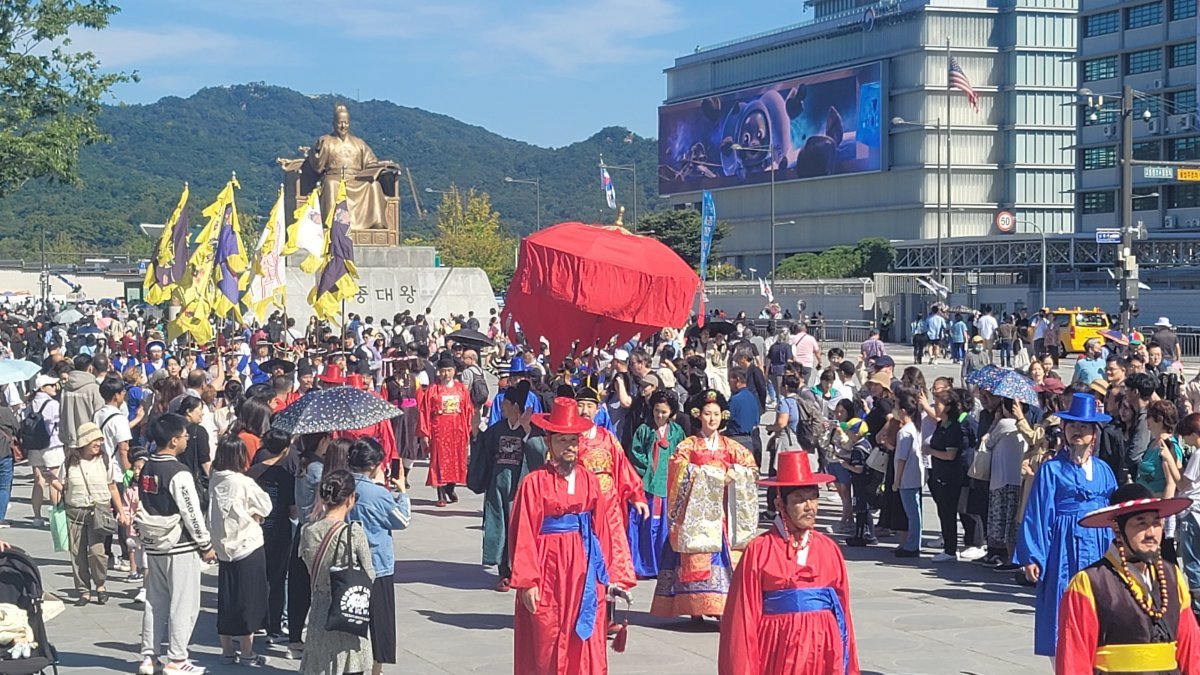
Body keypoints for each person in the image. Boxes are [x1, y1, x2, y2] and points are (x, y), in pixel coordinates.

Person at [509, 397, 634, 674]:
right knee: (547, 633)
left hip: (583, 566)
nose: (569, 447)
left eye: (573, 441)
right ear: (549, 443)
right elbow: (523, 533)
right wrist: (527, 581)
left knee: (584, 633)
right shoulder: (534, 483)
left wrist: (606, 576)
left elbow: (600, 529)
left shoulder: (589, 480)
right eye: (562, 441)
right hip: (547, 565)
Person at [718, 452, 859, 674]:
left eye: (813, 498)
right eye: (799, 500)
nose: (809, 506)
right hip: (777, 650)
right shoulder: (759, 550)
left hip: (824, 650)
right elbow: (741, 619)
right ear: (780, 503)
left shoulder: (829, 549)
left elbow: (844, 615)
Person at [1057, 482, 1200, 674]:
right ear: (1118, 529)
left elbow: (1191, 649)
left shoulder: (1172, 576)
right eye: (1141, 523)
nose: (1151, 533)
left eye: (1156, 523)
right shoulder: (1089, 583)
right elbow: (1073, 659)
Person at [1015, 393, 1118, 658]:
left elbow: (1114, 511)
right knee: (1063, 604)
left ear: (1094, 433)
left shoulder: (1104, 470)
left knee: (1100, 604)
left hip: (1099, 543)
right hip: (1063, 546)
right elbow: (1038, 513)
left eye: (1083, 427)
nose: (1077, 432)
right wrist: (1033, 556)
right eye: (1072, 426)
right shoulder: (1052, 470)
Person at [651, 389, 758, 621]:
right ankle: (694, 605)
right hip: (696, 514)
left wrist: (736, 473)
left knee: (723, 556)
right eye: (708, 414)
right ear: (699, 415)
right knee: (695, 554)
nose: (712, 419)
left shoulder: (731, 446)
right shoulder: (688, 445)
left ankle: (720, 605)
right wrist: (709, 476)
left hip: (722, 513)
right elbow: (677, 469)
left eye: (716, 414)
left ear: (723, 416)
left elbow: (751, 468)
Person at [136, 413, 215, 675]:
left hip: (153, 541)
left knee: (155, 601)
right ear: (172, 441)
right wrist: (205, 544)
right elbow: (191, 512)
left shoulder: (146, 466)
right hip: (179, 544)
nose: (187, 439)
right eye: (183, 436)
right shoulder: (178, 472)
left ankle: (149, 655)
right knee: (184, 603)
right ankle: (177, 658)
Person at [466, 380, 546, 590]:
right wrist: (475, 431)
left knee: (519, 529)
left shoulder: (530, 430)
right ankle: (504, 571)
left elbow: (541, 455)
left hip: (520, 488)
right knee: (499, 527)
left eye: (505, 403)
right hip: (498, 485)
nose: (501, 407)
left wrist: (529, 430)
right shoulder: (497, 429)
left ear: (515, 407)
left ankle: (519, 570)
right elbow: (483, 448)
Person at [300, 470, 374, 675]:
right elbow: (370, 574)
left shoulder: (308, 530)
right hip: (346, 609)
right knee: (348, 664)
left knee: (319, 664)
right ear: (350, 498)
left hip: (319, 609)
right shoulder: (353, 532)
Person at [207, 435, 271, 667]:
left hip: (224, 548)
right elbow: (265, 505)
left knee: (227, 599)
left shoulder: (215, 479)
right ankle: (247, 653)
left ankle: (226, 651)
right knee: (249, 600)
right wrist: (255, 514)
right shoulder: (243, 482)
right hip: (247, 545)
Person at [348, 438, 410, 675]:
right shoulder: (377, 493)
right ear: (374, 465)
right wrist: (402, 493)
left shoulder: (343, 484)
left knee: (351, 617)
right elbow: (402, 520)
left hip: (348, 562)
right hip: (377, 562)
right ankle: (376, 668)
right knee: (380, 620)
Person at [52, 422, 127, 606]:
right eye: (95, 440)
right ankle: (84, 591)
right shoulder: (70, 462)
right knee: (77, 554)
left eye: (100, 440)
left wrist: (122, 511)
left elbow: (112, 488)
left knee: (97, 553)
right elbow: (61, 485)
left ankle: (100, 585)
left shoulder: (105, 460)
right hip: (75, 512)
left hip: (98, 512)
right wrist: (55, 493)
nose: (98, 444)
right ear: (84, 442)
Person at [628, 390, 686, 579]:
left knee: (665, 526)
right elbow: (636, 452)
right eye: (656, 411)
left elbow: (683, 454)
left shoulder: (677, 431)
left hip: (669, 484)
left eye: (663, 412)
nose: (659, 416)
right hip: (649, 485)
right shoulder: (644, 430)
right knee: (647, 526)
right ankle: (646, 564)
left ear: (671, 413)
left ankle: (664, 564)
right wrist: (647, 470)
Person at [249, 428, 297, 643]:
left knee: (258, 577)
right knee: (277, 580)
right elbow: (292, 509)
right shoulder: (287, 476)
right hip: (279, 530)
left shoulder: (253, 471)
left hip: (255, 530)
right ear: (286, 449)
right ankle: (274, 625)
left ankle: (256, 620)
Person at [417, 356, 472, 506]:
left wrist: (468, 430)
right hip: (439, 430)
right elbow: (424, 411)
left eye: (449, 371)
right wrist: (425, 433)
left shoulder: (461, 390)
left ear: (454, 371)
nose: (446, 374)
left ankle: (451, 487)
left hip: (457, 430)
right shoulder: (432, 390)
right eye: (443, 371)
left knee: (456, 461)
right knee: (439, 462)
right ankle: (441, 494)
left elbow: (468, 411)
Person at [28, 373, 64, 527]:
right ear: (42, 388)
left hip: (34, 446)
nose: (55, 387)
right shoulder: (53, 404)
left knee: (38, 481)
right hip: (51, 445)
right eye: (51, 385)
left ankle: (37, 516)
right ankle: (55, 515)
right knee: (54, 480)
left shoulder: (29, 404)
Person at [892, 393, 924, 557]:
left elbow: (901, 459)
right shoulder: (916, 428)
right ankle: (914, 543)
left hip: (907, 478)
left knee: (912, 513)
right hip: (915, 476)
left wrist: (896, 480)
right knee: (915, 512)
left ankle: (912, 545)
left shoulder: (905, 432)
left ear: (903, 410)